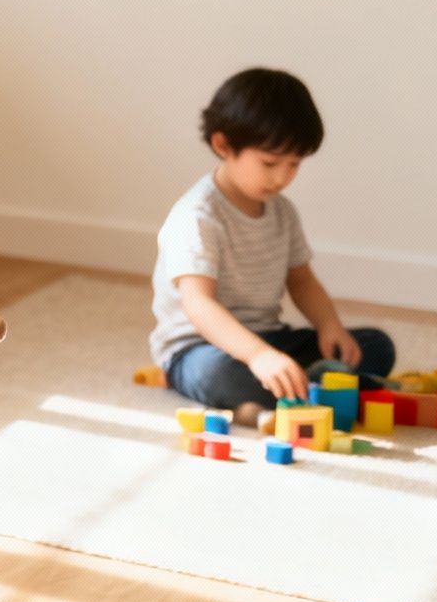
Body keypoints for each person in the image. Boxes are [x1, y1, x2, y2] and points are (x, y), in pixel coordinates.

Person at [149, 68, 396, 429]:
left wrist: (329, 326)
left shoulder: (282, 211)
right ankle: (294, 389)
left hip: (267, 337)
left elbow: (302, 280)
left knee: (375, 346)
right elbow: (199, 304)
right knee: (227, 376)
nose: (282, 177)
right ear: (223, 146)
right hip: (198, 348)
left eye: (294, 164)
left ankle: (296, 386)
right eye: (269, 163)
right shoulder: (197, 216)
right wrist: (259, 356)